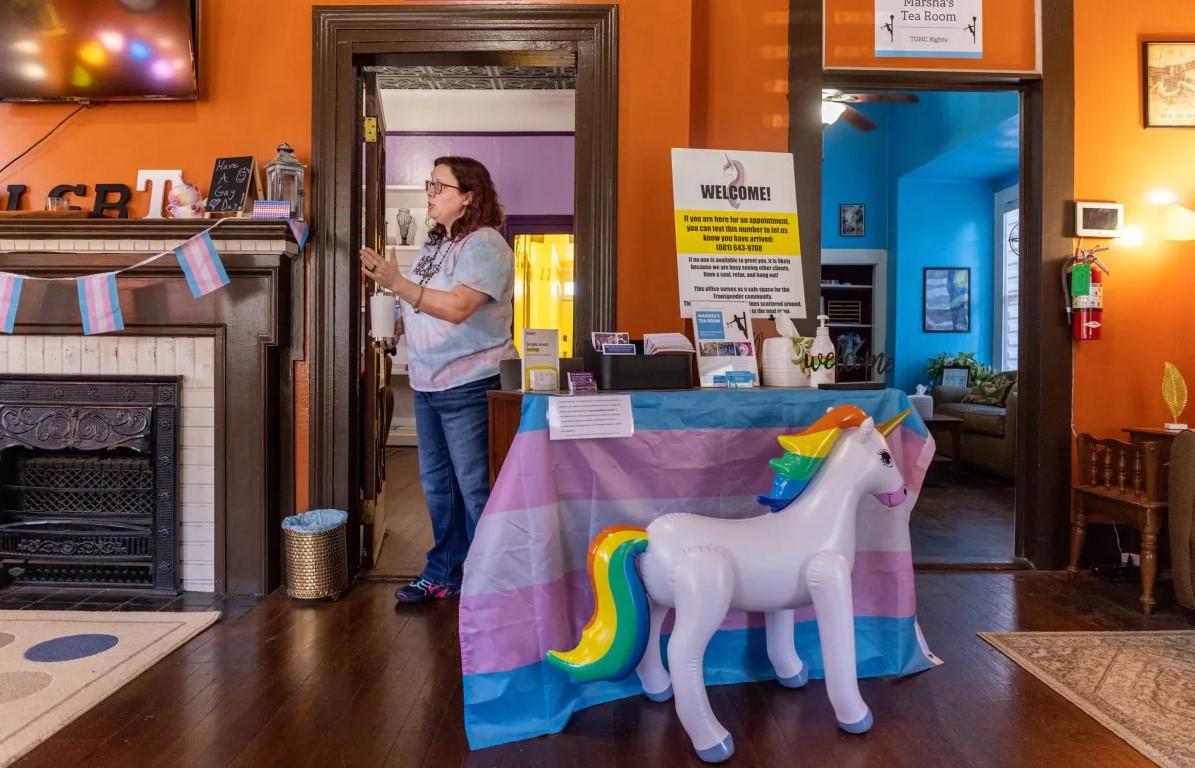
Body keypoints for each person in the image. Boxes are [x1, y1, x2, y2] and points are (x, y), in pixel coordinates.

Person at [360, 156, 517, 604]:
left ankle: (494, 583)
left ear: (469, 197)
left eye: (439, 186)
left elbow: (458, 307)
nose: (429, 192)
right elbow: (422, 305)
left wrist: (396, 282)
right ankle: (446, 573)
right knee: (439, 487)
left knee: (476, 488)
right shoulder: (436, 246)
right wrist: (393, 328)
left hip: (472, 383)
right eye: (429, 184)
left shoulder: (485, 245)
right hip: (429, 382)